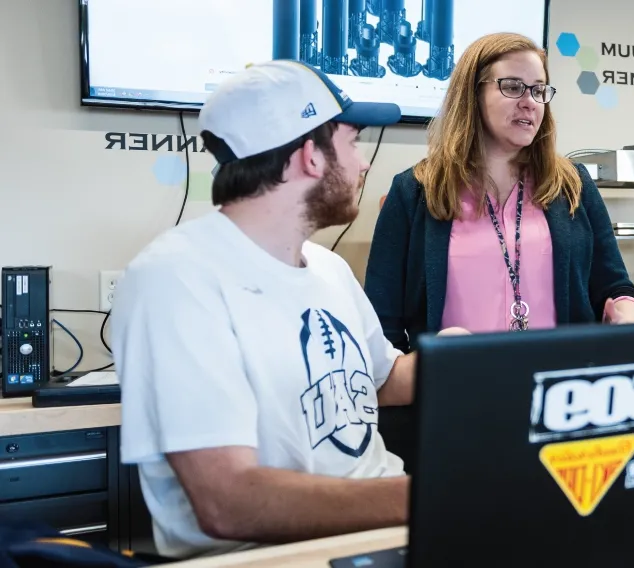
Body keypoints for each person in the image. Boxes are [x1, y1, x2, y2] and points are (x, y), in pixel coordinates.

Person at [112, 61, 463, 559]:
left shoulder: (327, 267)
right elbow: (228, 503)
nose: (363, 164)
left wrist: (455, 361)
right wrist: (442, 497)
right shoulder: (175, 279)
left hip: (388, 539)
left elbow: (379, 382)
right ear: (310, 157)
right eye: (353, 142)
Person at [364, 32, 634, 470]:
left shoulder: (572, 185)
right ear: (471, 95)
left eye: (539, 90)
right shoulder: (413, 192)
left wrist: (626, 314)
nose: (529, 101)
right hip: (457, 414)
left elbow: (615, 287)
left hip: (563, 410)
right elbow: (379, 329)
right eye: (512, 87)